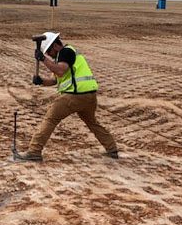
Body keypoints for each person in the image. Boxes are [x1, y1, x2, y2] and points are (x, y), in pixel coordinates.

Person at [15, 31, 118, 162]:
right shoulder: (64, 56)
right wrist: (41, 81)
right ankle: (112, 149)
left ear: (55, 46)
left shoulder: (66, 52)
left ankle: (34, 151)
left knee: (51, 119)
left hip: (76, 96)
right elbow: (55, 80)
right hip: (89, 96)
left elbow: (60, 70)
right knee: (92, 123)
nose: (49, 55)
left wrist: (43, 59)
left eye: (48, 52)